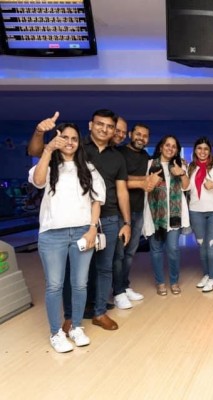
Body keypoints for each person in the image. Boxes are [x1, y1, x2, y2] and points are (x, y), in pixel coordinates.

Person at [29, 121, 105, 352]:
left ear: (79, 142)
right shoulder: (49, 164)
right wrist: (48, 149)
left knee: (80, 284)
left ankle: (76, 327)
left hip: (82, 232)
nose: (70, 142)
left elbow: (96, 201)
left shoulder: (89, 169)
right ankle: (56, 333)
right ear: (57, 139)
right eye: (65, 137)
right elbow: (39, 181)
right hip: (52, 234)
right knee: (54, 285)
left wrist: (92, 228)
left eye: (74, 138)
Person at [112, 123, 153, 309]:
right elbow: (118, 181)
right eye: (138, 134)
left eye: (145, 136)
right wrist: (143, 181)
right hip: (120, 211)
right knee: (119, 253)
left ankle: (124, 286)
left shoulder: (145, 156)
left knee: (130, 253)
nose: (141, 138)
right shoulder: (119, 153)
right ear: (130, 134)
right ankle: (118, 292)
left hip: (138, 209)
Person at [143, 135, 190, 296]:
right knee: (156, 250)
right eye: (167, 145)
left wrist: (182, 173)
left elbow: (185, 186)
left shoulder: (180, 164)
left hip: (174, 215)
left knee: (173, 249)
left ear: (177, 150)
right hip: (155, 213)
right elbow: (145, 186)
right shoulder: (150, 164)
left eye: (174, 146)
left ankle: (174, 281)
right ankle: (160, 282)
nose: (170, 148)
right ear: (161, 147)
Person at [188, 137, 213, 293]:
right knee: (202, 246)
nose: (202, 151)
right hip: (196, 210)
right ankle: (206, 274)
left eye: (205, 149)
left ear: (210, 151)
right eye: (199, 148)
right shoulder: (190, 168)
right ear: (195, 150)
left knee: (211, 246)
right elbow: (186, 189)